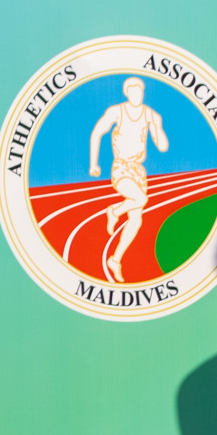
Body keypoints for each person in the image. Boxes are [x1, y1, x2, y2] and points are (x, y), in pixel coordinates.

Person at [88, 76, 168, 282]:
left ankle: (115, 259)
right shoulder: (117, 111)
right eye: (133, 91)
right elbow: (96, 133)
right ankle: (114, 211)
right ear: (126, 92)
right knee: (140, 199)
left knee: (136, 220)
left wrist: (157, 126)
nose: (137, 95)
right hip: (121, 168)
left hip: (138, 171)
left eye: (140, 91)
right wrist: (93, 163)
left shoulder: (150, 114)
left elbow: (162, 147)